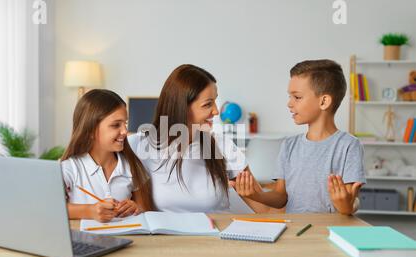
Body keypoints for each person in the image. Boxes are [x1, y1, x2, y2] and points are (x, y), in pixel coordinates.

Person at [232, 59, 366, 214]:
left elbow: (348, 205)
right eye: (290, 97)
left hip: (329, 232)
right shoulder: (289, 145)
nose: (289, 103)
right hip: (293, 231)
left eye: (297, 97)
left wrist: (345, 205)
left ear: (324, 101)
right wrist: (256, 195)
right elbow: (281, 197)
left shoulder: (349, 146)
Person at [128, 64, 251, 213]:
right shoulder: (138, 145)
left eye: (215, 102)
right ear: (182, 107)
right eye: (207, 104)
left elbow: (264, 207)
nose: (216, 111)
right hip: (166, 235)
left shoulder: (222, 144)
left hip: (216, 233)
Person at [61, 89, 153, 222]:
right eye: (116, 125)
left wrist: (135, 208)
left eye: (125, 124)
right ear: (91, 130)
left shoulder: (132, 166)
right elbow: (48, 208)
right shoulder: (70, 168)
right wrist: (89, 211)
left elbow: (146, 209)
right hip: (85, 240)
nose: (125, 131)